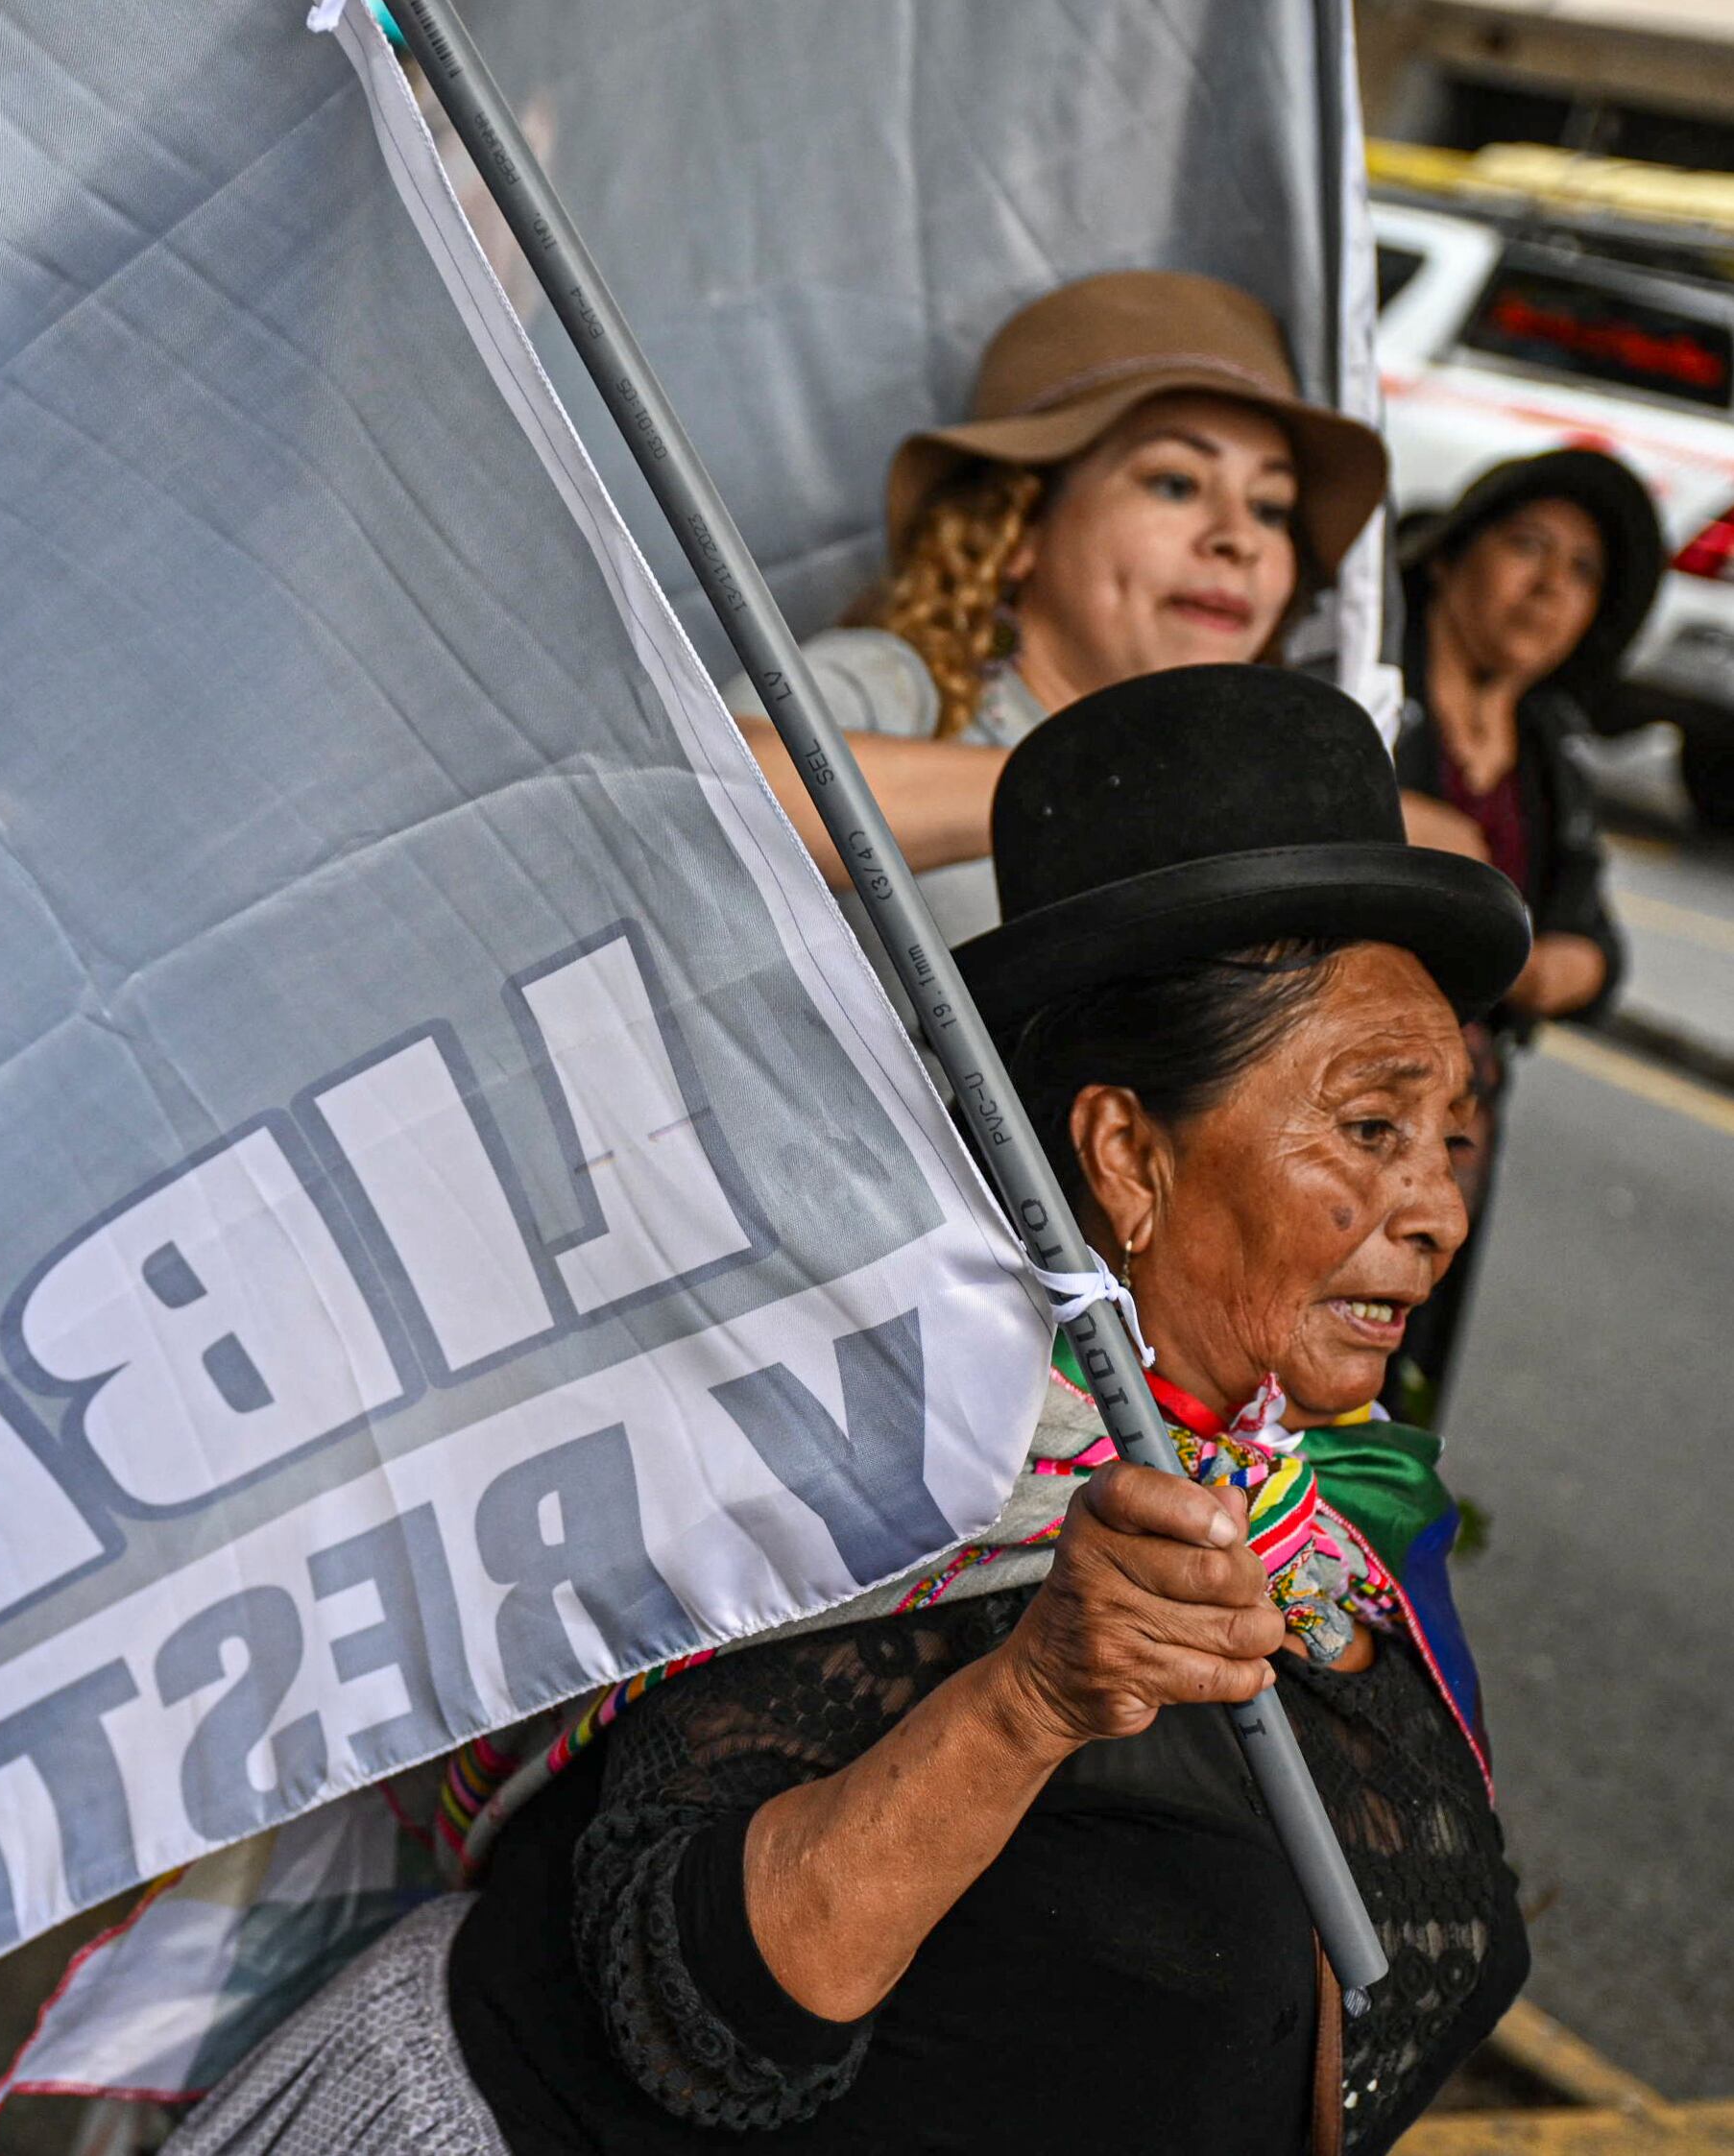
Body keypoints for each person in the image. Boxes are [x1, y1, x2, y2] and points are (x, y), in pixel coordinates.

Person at [168, 667, 1528, 2156]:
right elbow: (702, 2009)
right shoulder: (883, 1456)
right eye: (1370, 1127)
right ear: (1126, 1156)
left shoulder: (1321, 1507)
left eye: (1449, 1134)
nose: (1436, 1211)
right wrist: (1028, 1699)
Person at [734, 270, 1388, 941]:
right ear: (1017, 528)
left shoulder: (1269, 780)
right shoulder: (903, 689)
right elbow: (708, 791)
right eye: (1175, 483)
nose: (1238, 538)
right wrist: (1101, 790)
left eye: (1270, 508)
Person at [1382, 446, 1663, 1422]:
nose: (1549, 586)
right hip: (1331, 1097)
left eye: (1581, 571)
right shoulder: (1366, 685)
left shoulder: (1549, 749)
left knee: (1396, 1372)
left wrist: (1560, 968)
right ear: (1449, 557)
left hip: (1457, 1123)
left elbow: (1595, 939)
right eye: (1526, 546)